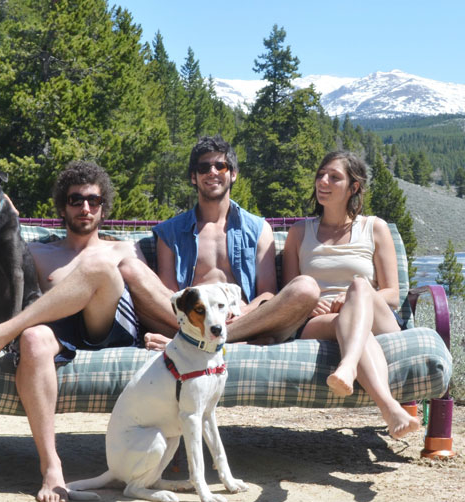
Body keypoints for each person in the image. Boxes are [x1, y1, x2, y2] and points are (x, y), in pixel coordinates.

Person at [0, 161, 145, 502]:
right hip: (62, 329)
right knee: (33, 339)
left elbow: (158, 297)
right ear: (62, 207)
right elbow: (4, 249)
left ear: (104, 206)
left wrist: (171, 335)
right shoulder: (39, 250)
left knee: (97, 265)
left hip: (107, 326)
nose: (85, 207)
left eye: (94, 200)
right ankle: (51, 466)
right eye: (75, 200)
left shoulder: (124, 249)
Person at [120, 135, 320, 349]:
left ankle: (203, 343)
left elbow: (267, 293)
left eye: (220, 166)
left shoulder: (259, 229)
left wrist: (242, 313)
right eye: (204, 167)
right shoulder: (170, 232)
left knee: (306, 288)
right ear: (194, 177)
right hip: (192, 320)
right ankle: (209, 339)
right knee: (129, 267)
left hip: (243, 320)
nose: (212, 172)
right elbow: (171, 297)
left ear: (233, 174)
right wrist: (202, 320)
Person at [281, 151, 421, 439]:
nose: (323, 181)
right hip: (321, 320)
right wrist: (309, 305)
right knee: (353, 327)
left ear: (353, 187)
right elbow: (290, 293)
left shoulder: (374, 228)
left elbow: (393, 295)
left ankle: (347, 365)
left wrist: (352, 298)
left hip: (376, 314)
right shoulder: (299, 232)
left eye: (334, 177)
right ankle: (390, 409)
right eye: (321, 175)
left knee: (359, 287)